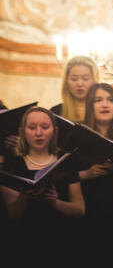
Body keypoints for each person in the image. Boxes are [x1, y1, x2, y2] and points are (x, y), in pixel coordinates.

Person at [1, 107, 84, 250]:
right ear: (22, 131)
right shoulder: (11, 163)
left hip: (63, 240)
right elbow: (14, 215)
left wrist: (55, 203)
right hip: (23, 243)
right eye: (32, 128)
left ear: (54, 131)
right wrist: (25, 194)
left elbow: (80, 210)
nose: (38, 133)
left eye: (45, 127)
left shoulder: (65, 160)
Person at [78, 83, 113, 251]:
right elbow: (64, 174)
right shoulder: (79, 136)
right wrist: (86, 174)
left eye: (110, 100)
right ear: (90, 105)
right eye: (98, 100)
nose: (105, 104)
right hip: (88, 205)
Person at [51, 55, 99, 122]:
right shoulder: (56, 113)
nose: (79, 84)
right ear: (66, 82)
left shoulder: (104, 110)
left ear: (95, 81)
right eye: (74, 79)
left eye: (85, 79)